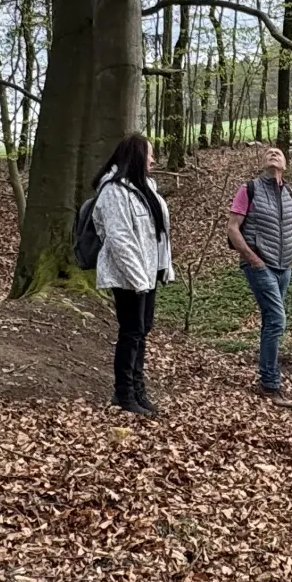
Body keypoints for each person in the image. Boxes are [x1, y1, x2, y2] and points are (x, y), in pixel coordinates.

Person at [93, 133, 174, 416]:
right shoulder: (114, 191)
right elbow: (119, 238)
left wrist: (163, 268)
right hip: (128, 275)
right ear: (137, 155)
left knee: (142, 331)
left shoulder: (146, 187)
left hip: (148, 273)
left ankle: (138, 389)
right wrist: (138, 278)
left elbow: (158, 234)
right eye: (150, 153)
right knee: (131, 332)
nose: (153, 159)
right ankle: (124, 392)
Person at [226, 146, 292, 408]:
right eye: (268, 152)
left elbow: (290, 228)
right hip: (259, 263)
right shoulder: (249, 189)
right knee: (278, 320)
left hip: (284, 265)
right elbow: (233, 228)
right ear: (262, 162)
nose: (272, 154)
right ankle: (270, 383)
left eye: (278, 153)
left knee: (271, 322)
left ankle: (268, 377)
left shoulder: (289, 192)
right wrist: (252, 258)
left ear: (286, 164)